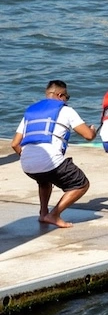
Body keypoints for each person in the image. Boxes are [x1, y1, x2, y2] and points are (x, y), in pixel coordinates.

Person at [10, 79, 97, 228]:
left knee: (44, 180)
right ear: (59, 95)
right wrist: (93, 131)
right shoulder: (66, 110)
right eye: (66, 97)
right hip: (49, 160)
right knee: (81, 184)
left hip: (27, 164)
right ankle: (54, 215)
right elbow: (88, 136)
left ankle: (43, 213)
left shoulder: (31, 111)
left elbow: (14, 144)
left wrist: (29, 157)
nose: (66, 100)